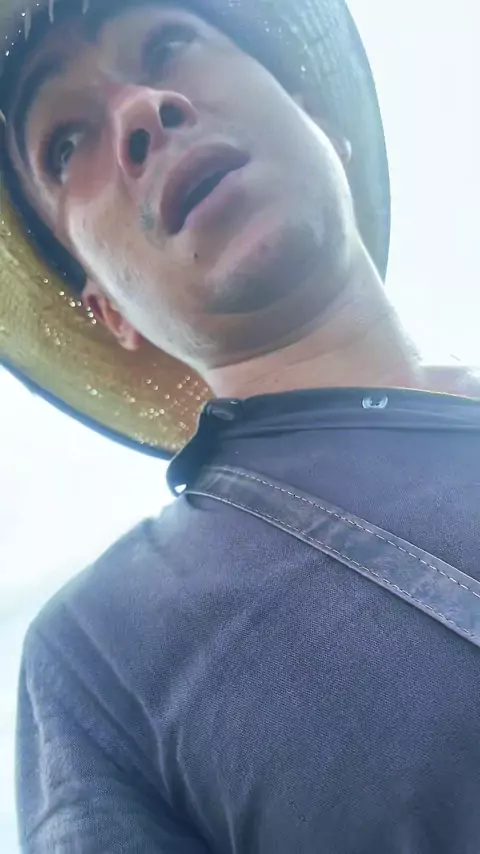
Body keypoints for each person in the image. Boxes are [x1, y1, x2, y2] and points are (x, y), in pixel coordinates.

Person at [1, 0, 479, 851]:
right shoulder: (99, 662)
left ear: (319, 124)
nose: (141, 108)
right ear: (109, 312)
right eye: (65, 144)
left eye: (170, 42)